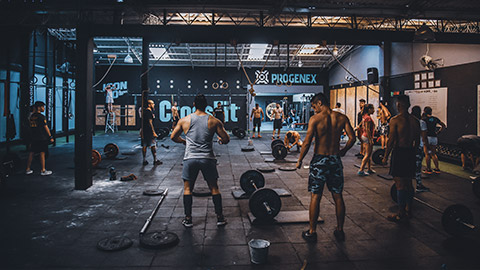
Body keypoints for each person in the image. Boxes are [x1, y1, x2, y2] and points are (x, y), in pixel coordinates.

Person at [296, 93, 356, 242]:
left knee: (316, 195)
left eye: (315, 106)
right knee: (338, 195)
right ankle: (340, 230)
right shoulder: (341, 117)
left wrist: (299, 160)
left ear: (320, 103)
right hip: (335, 160)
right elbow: (352, 138)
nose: (314, 110)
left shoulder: (315, 119)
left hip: (319, 160)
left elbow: (307, 142)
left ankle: (312, 231)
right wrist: (344, 151)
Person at [171, 94, 230, 228]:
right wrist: (220, 140)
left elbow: (173, 137)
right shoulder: (214, 121)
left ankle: (188, 219)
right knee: (214, 188)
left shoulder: (184, 120)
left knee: (187, 189)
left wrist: (183, 141)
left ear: (193, 104)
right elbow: (226, 139)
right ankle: (220, 218)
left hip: (190, 158)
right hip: (207, 158)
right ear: (206, 105)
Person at [382, 95, 420, 222]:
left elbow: (391, 140)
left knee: (399, 184)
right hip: (410, 153)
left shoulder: (395, 120)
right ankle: (409, 210)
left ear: (399, 105)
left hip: (399, 152)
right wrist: (413, 156)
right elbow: (417, 141)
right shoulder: (415, 121)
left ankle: (400, 213)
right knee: (409, 184)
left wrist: (385, 156)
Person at [25, 101, 54, 176]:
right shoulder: (41, 117)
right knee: (42, 152)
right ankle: (43, 170)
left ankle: (27, 169)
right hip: (41, 138)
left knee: (32, 152)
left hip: (34, 137)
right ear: (39, 107)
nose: (44, 108)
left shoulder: (31, 117)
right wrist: (50, 136)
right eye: (43, 107)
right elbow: (46, 127)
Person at [411, 106, 430, 192]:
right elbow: (424, 136)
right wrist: (426, 145)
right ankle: (418, 185)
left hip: (409, 146)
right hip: (418, 147)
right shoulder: (421, 123)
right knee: (418, 166)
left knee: (410, 165)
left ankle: (408, 184)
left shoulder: (409, 122)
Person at [422, 106, 446, 174]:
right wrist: (438, 132)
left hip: (427, 137)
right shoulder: (435, 119)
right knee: (433, 154)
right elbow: (443, 125)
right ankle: (437, 169)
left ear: (424, 111)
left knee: (427, 154)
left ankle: (428, 169)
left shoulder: (424, 119)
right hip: (434, 137)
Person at [141, 100, 162, 166]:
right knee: (153, 145)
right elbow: (150, 123)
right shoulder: (149, 112)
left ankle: (144, 160)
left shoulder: (144, 112)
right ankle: (155, 160)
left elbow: (142, 122)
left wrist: (141, 131)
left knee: (144, 145)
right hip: (149, 131)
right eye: (153, 104)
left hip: (144, 131)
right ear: (149, 104)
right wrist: (153, 132)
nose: (154, 105)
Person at [357, 104, 376, 176]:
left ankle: (369, 169)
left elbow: (362, 124)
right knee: (367, 154)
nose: (373, 110)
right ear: (369, 109)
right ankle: (361, 170)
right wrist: (370, 139)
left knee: (368, 153)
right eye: (372, 109)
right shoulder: (368, 118)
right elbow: (367, 129)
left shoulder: (365, 116)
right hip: (367, 137)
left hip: (365, 136)